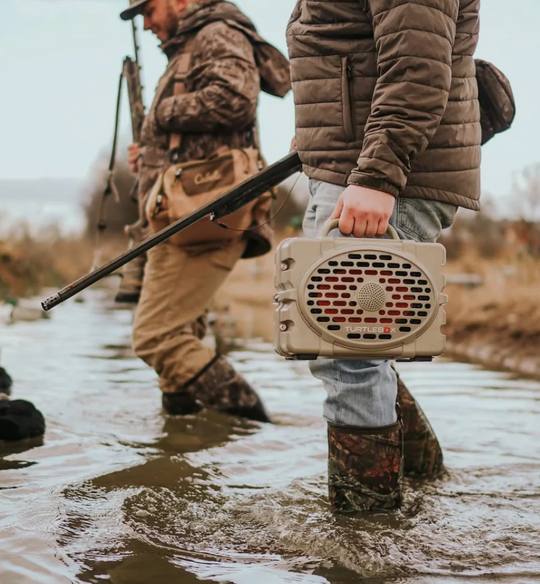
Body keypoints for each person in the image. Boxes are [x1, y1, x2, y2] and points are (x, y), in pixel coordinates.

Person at [287, 0, 481, 512]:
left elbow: (416, 60)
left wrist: (377, 174)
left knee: (347, 354)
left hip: (382, 178)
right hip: (354, 170)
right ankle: (422, 483)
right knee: (353, 344)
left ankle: (367, 533)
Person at [119, 0, 290, 421]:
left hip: (201, 215)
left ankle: (252, 428)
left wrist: (157, 116)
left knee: (155, 338)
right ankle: (185, 449)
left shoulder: (217, 32)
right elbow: (198, 133)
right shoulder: (189, 46)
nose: (147, 24)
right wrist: (153, 152)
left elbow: (235, 99)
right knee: (179, 339)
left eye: (150, 10)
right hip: (179, 216)